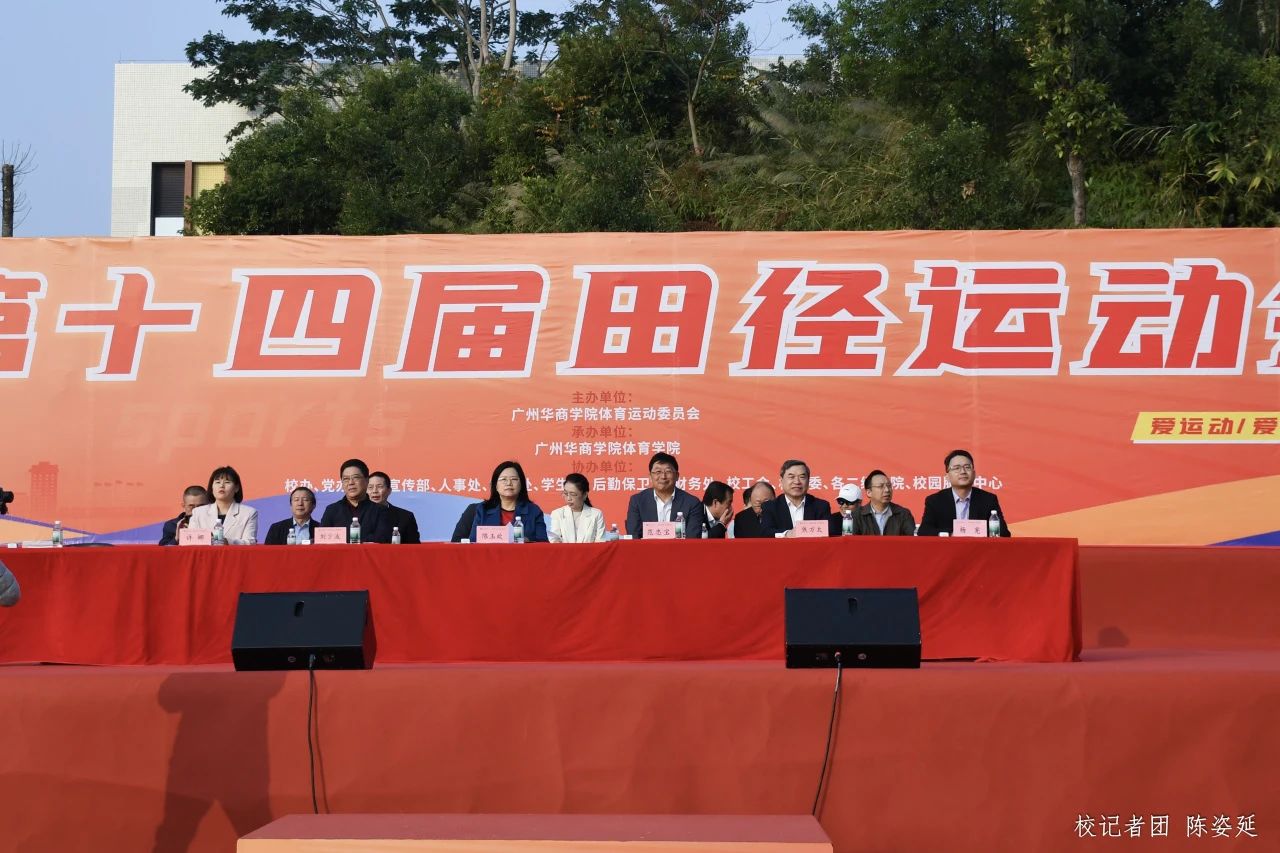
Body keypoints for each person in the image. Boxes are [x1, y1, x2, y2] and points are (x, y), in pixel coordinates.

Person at [917, 450, 1011, 537]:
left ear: (974, 474)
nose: (963, 471)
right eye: (956, 468)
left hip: (978, 548)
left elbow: (1003, 532)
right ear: (947, 476)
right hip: (948, 549)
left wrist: (972, 532)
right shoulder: (935, 501)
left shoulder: (988, 499)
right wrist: (951, 534)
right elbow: (924, 531)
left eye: (967, 467)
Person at [624, 452, 704, 538]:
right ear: (650, 476)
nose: (663, 476)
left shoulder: (692, 503)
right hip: (646, 547)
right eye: (658, 472)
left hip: (680, 547)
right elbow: (634, 536)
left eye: (668, 471)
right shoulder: (637, 501)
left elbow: (692, 539)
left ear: (677, 476)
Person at [468, 461, 549, 542]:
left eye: (514, 479)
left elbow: (543, 543)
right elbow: (473, 542)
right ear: (495, 486)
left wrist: (527, 541)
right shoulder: (483, 510)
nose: (509, 483)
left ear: (521, 485)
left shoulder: (534, 511)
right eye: (503, 479)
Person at [319, 459, 393, 543]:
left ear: (367, 481)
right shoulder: (332, 510)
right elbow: (322, 540)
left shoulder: (381, 511)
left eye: (356, 477)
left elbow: (382, 540)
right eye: (346, 479)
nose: (351, 482)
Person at [761, 459, 833, 537]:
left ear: (808, 481)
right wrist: (787, 534)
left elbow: (830, 531)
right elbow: (766, 532)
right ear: (781, 481)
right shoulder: (770, 507)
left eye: (802, 477)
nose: (797, 482)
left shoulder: (821, 506)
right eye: (791, 477)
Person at [189, 466, 259, 544]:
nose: (221, 486)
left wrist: (228, 542)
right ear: (212, 488)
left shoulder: (248, 513)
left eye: (227, 482)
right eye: (217, 482)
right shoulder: (198, 513)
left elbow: (250, 542)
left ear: (236, 488)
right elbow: (189, 540)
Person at [852, 471, 917, 536]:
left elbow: (912, 540)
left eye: (889, 486)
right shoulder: (856, 515)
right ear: (869, 492)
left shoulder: (904, 514)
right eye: (881, 486)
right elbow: (851, 540)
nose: (887, 490)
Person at [549, 473, 607, 543]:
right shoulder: (557, 513)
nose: (568, 498)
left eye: (573, 494)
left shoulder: (596, 514)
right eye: (566, 493)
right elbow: (554, 539)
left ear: (585, 495)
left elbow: (600, 542)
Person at [367, 471, 421, 544]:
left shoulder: (405, 517)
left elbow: (414, 548)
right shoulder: (355, 515)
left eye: (380, 487)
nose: (374, 491)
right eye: (370, 487)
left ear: (389, 491)